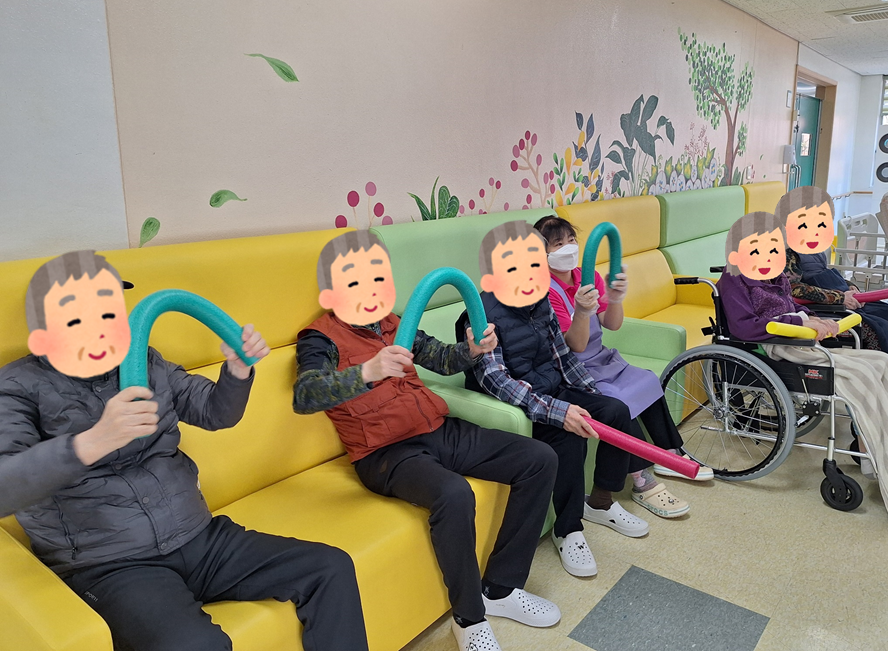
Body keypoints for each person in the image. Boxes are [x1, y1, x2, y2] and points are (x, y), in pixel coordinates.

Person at [0, 250, 369, 651]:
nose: (101, 329)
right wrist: (94, 441)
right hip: (109, 566)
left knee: (329, 567)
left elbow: (215, 413)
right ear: (42, 337)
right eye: (76, 320)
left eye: (109, 314)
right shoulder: (17, 387)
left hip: (200, 537)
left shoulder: (145, 359)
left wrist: (238, 371)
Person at [293, 231, 561, 651]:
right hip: (384, 453)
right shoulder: (319, 337)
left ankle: (501, 588)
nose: (370, 290)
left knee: (539, 458)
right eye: (355, 281)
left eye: (378, 278)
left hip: (436, 429)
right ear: (332, 293)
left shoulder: (394, 322)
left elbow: (441, 358)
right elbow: (306, 395)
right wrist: (367, 372)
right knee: (454, 494)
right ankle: (469, 618)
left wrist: (471, 350)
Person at [719, 214, 888, 531]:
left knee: (882, 363)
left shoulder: (775, 275)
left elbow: (793, 306)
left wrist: (814, 319)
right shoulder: (733, 280)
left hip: (802, 342)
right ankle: (877, 453)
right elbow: (744, 327)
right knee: (861, 377)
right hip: (777, 348)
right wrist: (801, 323)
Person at [460, 220, 653, 579]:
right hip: (517, 408)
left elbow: (563, 358)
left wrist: (589, 395)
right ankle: (568, 530)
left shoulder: (540, 303)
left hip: (552, 391)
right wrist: (559, 412)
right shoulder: (480, 315)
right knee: (568, 436)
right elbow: (497, 381)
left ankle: (601, 501)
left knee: (614, 409)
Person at [533, 216, 714, 519]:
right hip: (573, 367)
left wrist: (615, 299)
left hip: (602, 357)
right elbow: (575, 346)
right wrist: (582, 311)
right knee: (617, 402)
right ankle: (641, 480)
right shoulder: (546, 290)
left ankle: (669, 453)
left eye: (571, 240)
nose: (568, 248)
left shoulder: (586, 275)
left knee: (647, 380)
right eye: (558, 244)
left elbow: (612, 324)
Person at [774, 186, 888, 416]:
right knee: (879, 326)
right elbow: (793, 288)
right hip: (823, 307)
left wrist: (849, 287)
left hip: (839, 297)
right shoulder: (786, 250)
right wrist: (840, 298)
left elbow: (825, 272)